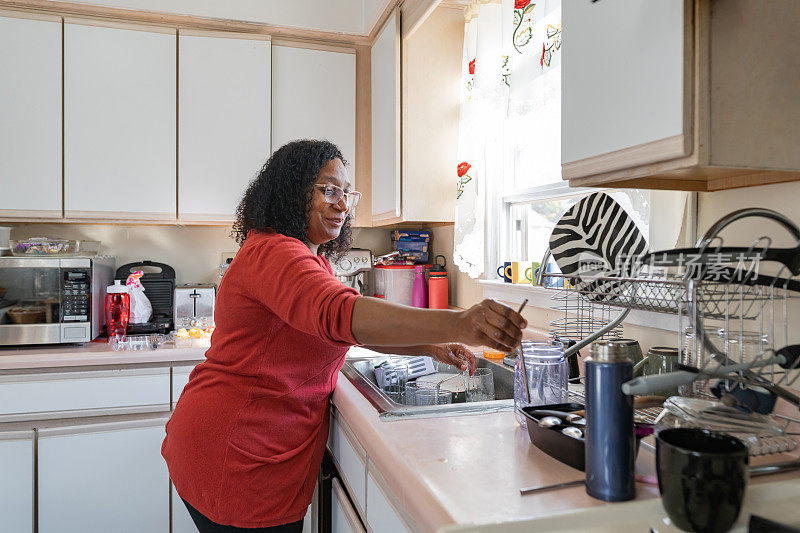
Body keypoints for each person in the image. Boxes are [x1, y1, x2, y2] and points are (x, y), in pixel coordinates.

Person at [162, 140, 526, 532]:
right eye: (328, 190)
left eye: (346, 194)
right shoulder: (276, 252)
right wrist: (459, 324)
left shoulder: (305, 257)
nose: (342, 204)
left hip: (246, 448)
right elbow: (340, 314)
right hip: (237, 457)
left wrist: (429, 345)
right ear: (292, 189)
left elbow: (338, 329)